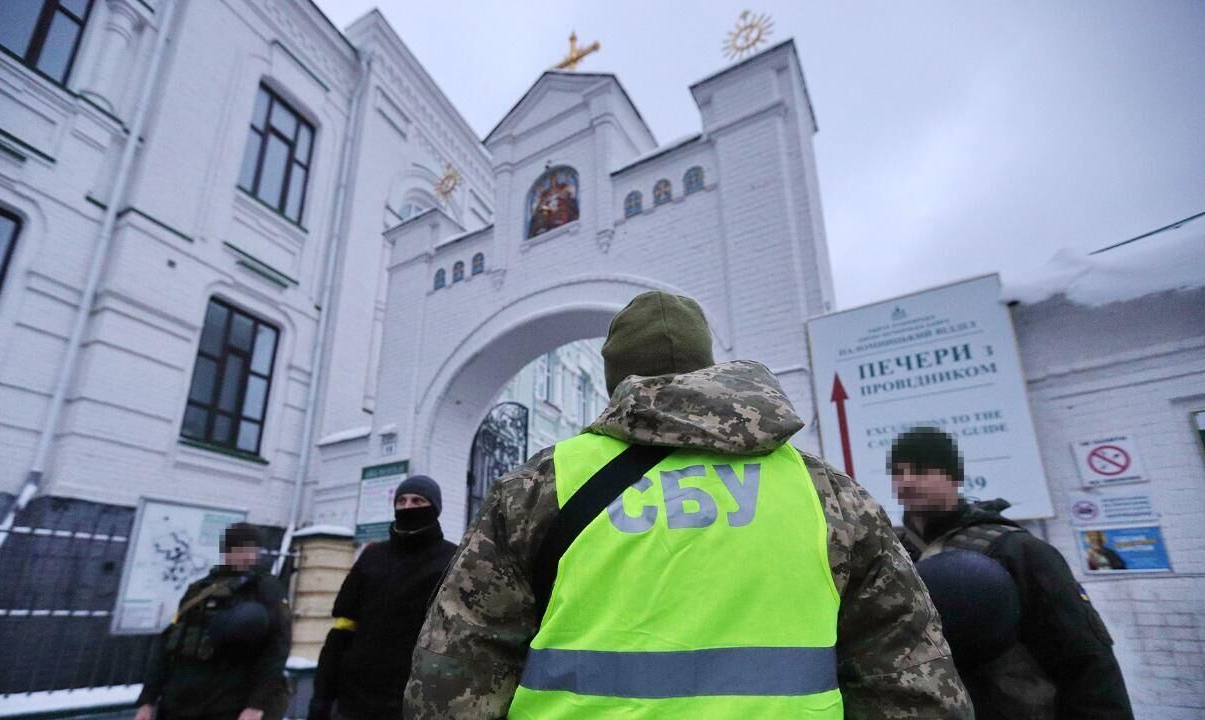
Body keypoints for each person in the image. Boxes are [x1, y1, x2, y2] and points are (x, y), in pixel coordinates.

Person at [405, 291, 973, 719]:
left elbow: (456, 668)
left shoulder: (540, 487)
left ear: (615, 380)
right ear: (706, 367)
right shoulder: (827, 494)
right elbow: (911, 676)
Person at [889, 426, 1134, 719]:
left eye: (920, 469)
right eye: (898, 472)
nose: (906, 481)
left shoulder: (1017, 550)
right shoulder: (894, 554)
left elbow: (1085, 659)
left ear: (954, 476)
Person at [309, 476, 457, 720]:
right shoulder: (372, 557)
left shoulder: (452, 560)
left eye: (418, 500)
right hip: (354, 698)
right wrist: (322, 695)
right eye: (402, 501)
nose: (408, 507)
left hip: (414, 699)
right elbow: (341, 631)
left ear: (435, 508)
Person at [135, 522, 291, 720]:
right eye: (241, 549)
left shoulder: (266, 589)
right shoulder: (198, 590)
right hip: (175, 704)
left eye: (253, 550)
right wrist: (147, 700)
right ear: (226, 551)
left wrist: (256, 705)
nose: (248, 556)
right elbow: (168, 646)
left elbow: (277, 648)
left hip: (227, 706)